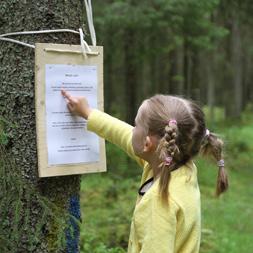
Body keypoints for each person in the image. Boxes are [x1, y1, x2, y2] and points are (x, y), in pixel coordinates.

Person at [61, 90, 229, 253]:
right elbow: (123, 134)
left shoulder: (159, 203)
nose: (132, 130)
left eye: (136, 126)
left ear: (147, 144)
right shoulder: (181, 168)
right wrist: (88, 113)